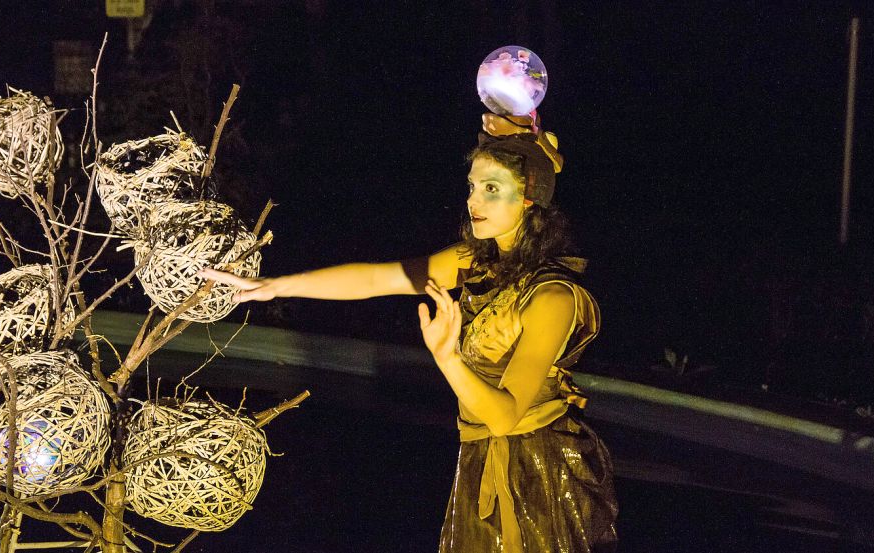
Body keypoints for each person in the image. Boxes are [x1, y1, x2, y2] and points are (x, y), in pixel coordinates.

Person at [201, 112, 619, 552]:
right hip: (479, 457)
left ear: (530, 197)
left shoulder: (553, 297)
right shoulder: (474, 262)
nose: (474, 200)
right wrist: (273, 287)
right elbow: (377, 279)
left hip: (540, 471)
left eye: (492, 189)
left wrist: (448, 359)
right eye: (473, 187)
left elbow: (504, 416)